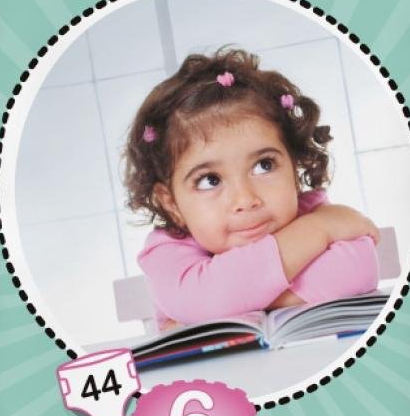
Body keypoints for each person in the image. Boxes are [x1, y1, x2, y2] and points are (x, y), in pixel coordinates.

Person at [123, 48, 379, 328]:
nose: (245, 199)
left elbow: (359, 268)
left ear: (294, 167)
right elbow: (200, 299)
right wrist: (319, 230)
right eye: (210, 180)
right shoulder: (166, 249)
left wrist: (240, 300)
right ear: (171, 203)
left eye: (264, 165)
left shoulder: (308, 210)